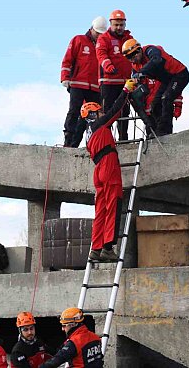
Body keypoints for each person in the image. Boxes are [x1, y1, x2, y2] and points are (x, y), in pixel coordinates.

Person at [79, 80, 132, 262]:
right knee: (114, 204)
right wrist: (126, 90)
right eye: (99, 111)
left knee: (101, 210)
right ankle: (108, 248)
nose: (102, 113)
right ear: (93, 114)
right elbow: (115, 110)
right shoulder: (100, 125)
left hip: (98, 170)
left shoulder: (88, 134)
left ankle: (96, 248)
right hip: (108, 165)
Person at [121, 39, 189, 136]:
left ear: (139, 50)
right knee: (155, 104)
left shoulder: (150, 50)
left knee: (166, 98)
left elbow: (157, 60)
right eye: (129, 57)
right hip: (167, 80)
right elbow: (136, 80)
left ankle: (165, 131)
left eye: (134, 54)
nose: (132, 59)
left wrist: (142, 72)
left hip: (179, 75)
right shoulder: (136, 66)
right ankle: (158, 130)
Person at [60, 16, 107, 148]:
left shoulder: (103, 45)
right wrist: (65, 77)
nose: (99, 36)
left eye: (101, 34)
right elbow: (67, 59)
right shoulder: (78, 40)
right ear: (91, 29)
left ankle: (89, 143)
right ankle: (68, 142)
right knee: (74, 111)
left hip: (95, 87)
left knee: (92, 116)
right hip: (77, 84)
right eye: (97, 33)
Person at [96, 9, 133, 141]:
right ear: (111, 24)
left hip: (125, 83)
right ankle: (106, 139)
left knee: (124, 112)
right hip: (108, 82)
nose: (119, 27)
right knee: (108, 113)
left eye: (121, 25)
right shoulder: (103, 38)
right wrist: (109, 67)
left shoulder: (129, 39)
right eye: (116, 24)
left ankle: (123, 139)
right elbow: (101, 55)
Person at [39, 308, 103, 368]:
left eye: (64, 326)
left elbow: (56, 360)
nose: (62, 329)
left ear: (72, 325)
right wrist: (45, 347)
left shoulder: (75, 342)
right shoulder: (95, 337)